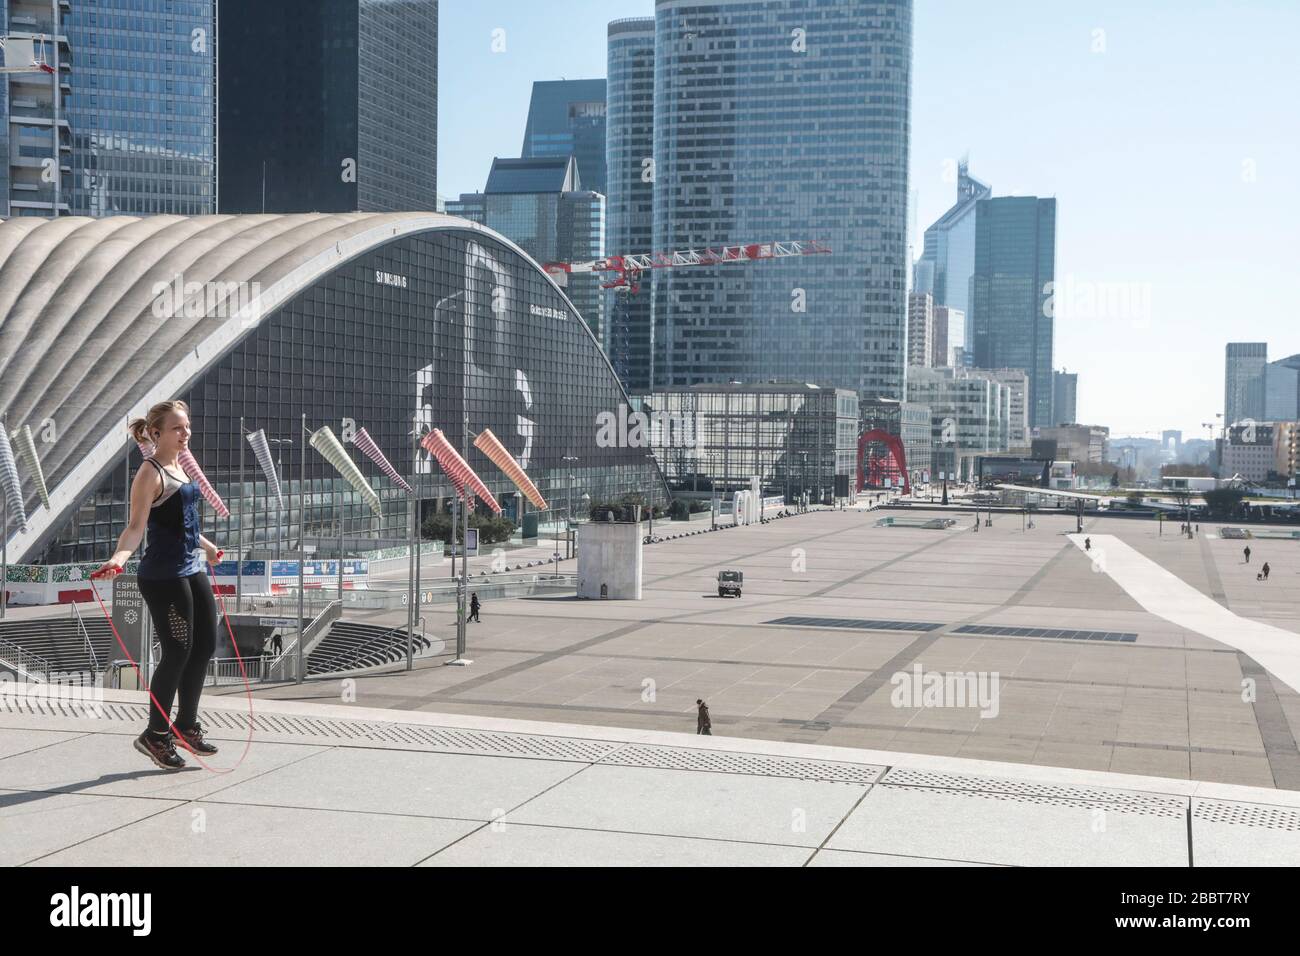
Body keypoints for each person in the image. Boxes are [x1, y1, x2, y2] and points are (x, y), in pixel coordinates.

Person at [93, 401, 223, 771]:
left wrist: (209, 548)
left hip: (190, 567)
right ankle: (155, 734)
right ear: (156, 433)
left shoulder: (178, 466)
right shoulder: (149, 473)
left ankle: (186, 726)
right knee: (178, 651)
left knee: (204, 646)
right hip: (163, 576)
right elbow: (136, 527)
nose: (186, 434)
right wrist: (119, 560)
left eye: (187, 427)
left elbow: (185, 524)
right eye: (178, 429)